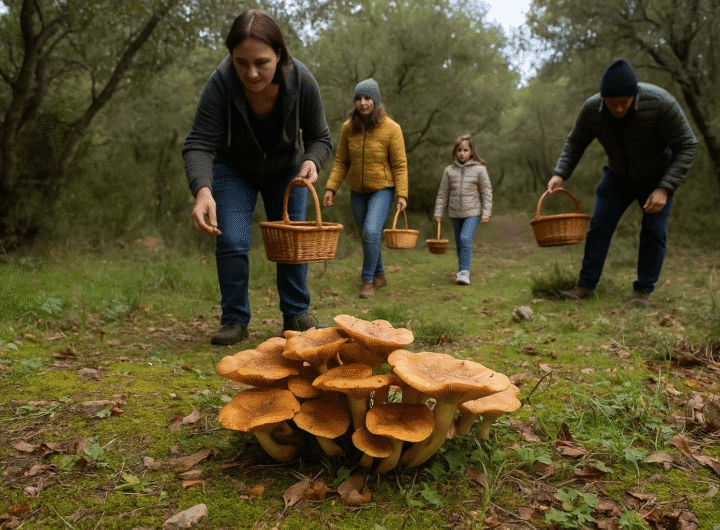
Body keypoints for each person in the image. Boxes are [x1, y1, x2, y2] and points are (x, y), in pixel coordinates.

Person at [182, 10, 333, 345]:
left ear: (279, 54)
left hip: (288, 171)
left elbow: (321, 138)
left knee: (291, 241)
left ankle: (296, 314)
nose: (251, 73)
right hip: (234, 170)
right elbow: (198, 143)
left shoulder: (301, 80)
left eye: (261, 62)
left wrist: (312, 161)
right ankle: (235, 319)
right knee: (232, 239)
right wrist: (203, 191)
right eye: (241, 62)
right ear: (231, 58)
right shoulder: (221, 83)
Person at [547, 58, 697, 306]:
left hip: (656, 178)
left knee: (654, 231)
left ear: (634, 96)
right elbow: (576, 142)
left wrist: (664, 188)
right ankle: (584, 287)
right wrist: (560, 173)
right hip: (617, 176)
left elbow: (687, 145)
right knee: (598, 228)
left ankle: (643, 292)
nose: (618, 109)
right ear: (603, 98)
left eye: (624, 103)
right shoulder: (591, 109)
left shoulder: (661, 103)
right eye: (612, 103)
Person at [323, 79, 409, 299]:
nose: (363, 103)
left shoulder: (392, 128)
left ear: (376, 101)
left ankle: (367, 280)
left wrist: (402, 194)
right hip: (357, 191)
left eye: (367, 98)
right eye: (359, 99)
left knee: (371, 232)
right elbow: (342, 161)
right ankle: (380, 275)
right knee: (367, 236)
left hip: (383, 189)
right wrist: (331, 188)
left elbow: (399, 164)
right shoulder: (348, 128)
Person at [433, 134, 492, 285]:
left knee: (465, 238)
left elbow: (486, 192)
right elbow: (442, 194)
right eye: (459, 150)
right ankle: (461, 272)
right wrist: (438, 212)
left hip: (472, 212)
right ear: (455, 152)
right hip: (454, 212)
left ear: (471, 151)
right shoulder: (449, 171)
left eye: (465, 150)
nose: (462, 153)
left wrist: (486, 212)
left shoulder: (480, 169)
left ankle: (464, 272)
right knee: (459, 243)